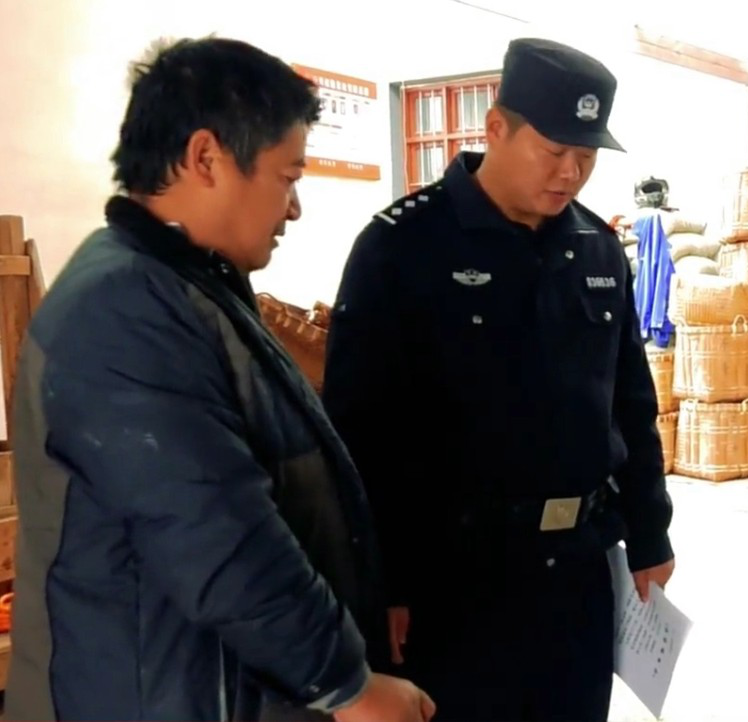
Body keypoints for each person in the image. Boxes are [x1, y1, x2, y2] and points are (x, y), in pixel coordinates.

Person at [5, 37, 433, 721]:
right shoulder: (125, 307)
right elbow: (214, 534)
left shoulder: (189, 289)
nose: (293, 209)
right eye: (287, 177)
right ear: (206, 158)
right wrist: (346, 685)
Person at [321, 37, 676, 721]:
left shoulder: (598, 249)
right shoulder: (401, 247)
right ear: (495, 129)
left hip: (577, 572)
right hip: (453, 583)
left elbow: (632, 404)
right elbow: (361, 433)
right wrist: (383, 583)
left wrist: (650, 533)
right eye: (554, 150)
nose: (571, 172)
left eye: (587, 155)